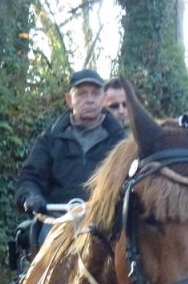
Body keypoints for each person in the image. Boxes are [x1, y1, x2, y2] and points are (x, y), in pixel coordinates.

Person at [14, 69, 126, 244]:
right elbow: (29, 178)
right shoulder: (50, 138)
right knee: (46, 243)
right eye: (82, 94)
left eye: (95, 93)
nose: (89, 99)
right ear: (69, 100)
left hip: (107, 223)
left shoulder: (122, 142)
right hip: (57, 221)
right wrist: (31, 196)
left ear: (103, 99)